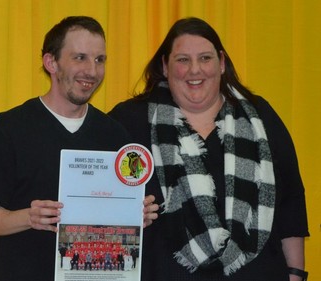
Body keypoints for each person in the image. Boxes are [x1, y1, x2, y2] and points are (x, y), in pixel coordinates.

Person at [108, 17, 309, 281]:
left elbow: (291, 199)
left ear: (222, 63)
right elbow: (101, 196)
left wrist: (295, 273)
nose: (195, 70)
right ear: (165, 66)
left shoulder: (260, 117)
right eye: (182, 60)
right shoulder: (129, 122)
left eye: (205, 58)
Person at [0, 16, 158, 281]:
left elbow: (116, 217)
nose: (92, 71)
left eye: (99, 60)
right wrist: (31, 217)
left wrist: (134, 215)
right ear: (51, 62)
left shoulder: (115, 134)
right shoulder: (9, 128)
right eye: (79, 58)